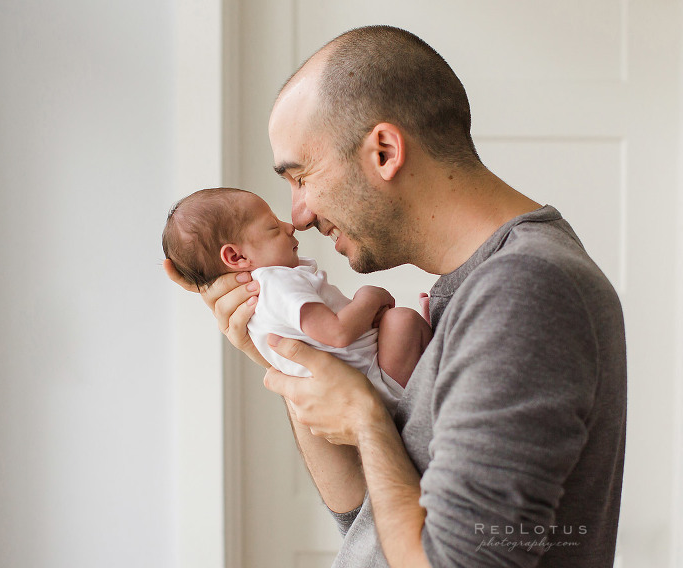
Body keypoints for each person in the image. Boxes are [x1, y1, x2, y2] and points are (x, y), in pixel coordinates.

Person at [164, 25, 626, 568]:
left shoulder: (525, 289)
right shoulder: (480, 286)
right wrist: (291, 358)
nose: (298, 216)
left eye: (301, 176)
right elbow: (367, 519)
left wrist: (364, 418)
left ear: (384, 151)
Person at [161, 187, 432, 411]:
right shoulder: (274, 283)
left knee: (399, 327)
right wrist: (369, 297)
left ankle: (430, 350)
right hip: (374, 385)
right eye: (272, 227)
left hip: (354, 392)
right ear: (237, 257)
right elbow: (337, 333)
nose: (290, 226)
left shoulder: (256, 303)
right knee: (401, 321)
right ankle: (433, 352)